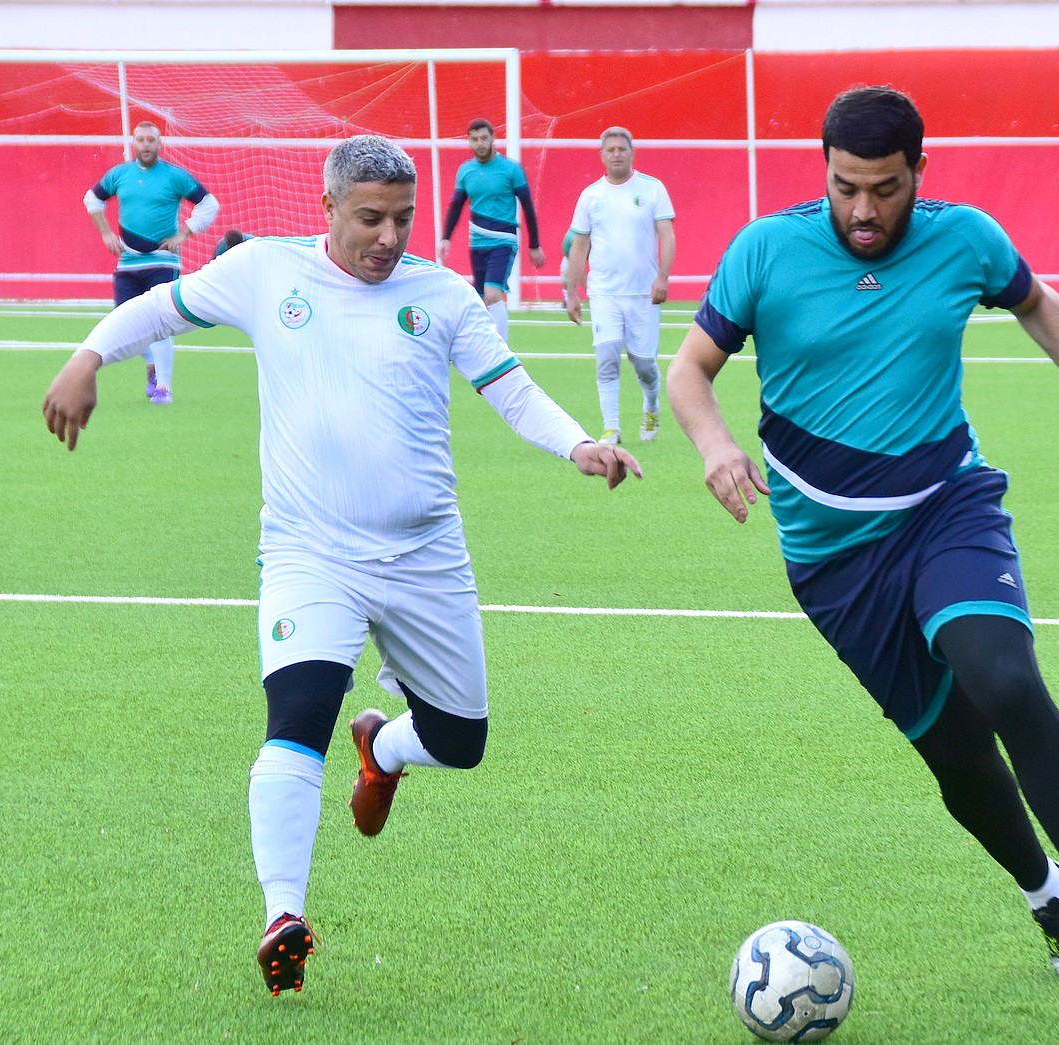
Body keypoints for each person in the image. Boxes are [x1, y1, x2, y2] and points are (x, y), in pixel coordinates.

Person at [42, 134, 641, 998]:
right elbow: (160, 309)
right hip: (309, 551)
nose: (388, 237)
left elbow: (508, 387)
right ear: (327, 208)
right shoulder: (265, 271)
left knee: (460, 742)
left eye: (402, 218)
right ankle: (282, 914)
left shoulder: (441, 294)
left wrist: (579, 443)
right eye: (369, 218)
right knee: (296, 720)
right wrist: (87, 356)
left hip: (427, 555)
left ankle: (384, 748)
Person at [668, 86, 1059, 988]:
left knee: (1003, 678)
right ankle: (1047, 897)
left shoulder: (964, 239)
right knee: (954, 751)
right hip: (833, 559)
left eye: (885, 188)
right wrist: (715, 446)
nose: (863, 210)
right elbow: (690, 368)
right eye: (845, 188)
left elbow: (1035, 300)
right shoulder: (764, 251)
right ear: (824, 172)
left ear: (918, 171)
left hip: (946, 506)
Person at [84, 120, 220, 404]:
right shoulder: (120, 174)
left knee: (160, 321)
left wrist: (185, 233)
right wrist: (106, 232)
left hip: (162, 261)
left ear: (160, 143)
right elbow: (92, 199)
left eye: (151, 140)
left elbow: (209, 204)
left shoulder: (174, 176)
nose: (145, 145)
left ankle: (163, 388)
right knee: (124, 322)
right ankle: (152, 365)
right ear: (133, 143)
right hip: (128, 261)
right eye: (141, 140)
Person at [564, 127, 676, 444]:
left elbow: (667, 235)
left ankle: (651, 406)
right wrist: (571, 294)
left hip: (643, 293)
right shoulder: (591, 196)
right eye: (610, 149)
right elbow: (579, 246)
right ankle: (611, 427)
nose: (616, 154)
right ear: (602, 155)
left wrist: (663, 278)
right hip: (604, 293)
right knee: (607, 357)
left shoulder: (652, 189)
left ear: (631, 153)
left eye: (621, 149)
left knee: (644, 365)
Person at [439, 118, 545, 344]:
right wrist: (445, 238)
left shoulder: (511, 169)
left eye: (484, 138)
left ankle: (501, 351)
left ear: (493, 138)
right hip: (477, 242)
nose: (480, 143)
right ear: (469, 141)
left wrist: (534, 244)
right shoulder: (466, 171)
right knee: (480, 299)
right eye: (474, 139)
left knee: (493, 294)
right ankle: (481, 348)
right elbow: (456, 206)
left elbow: (528, 208)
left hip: (503, 241)